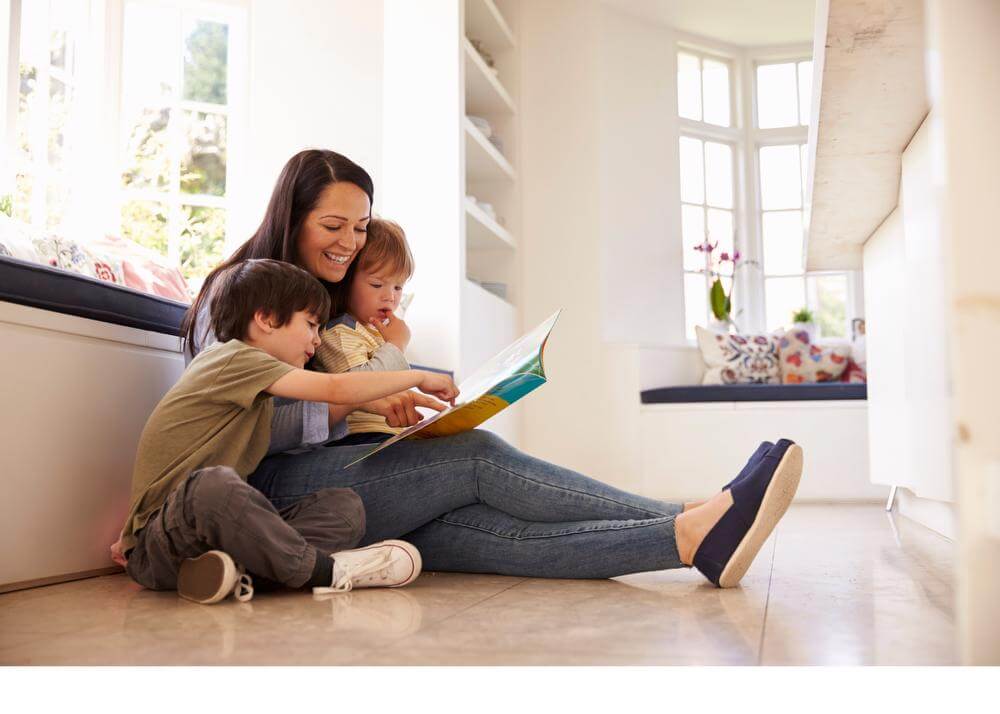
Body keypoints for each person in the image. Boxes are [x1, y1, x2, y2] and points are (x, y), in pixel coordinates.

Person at [184, 148, 804, 588]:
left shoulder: (324, 305)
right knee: (476, 455)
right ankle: (690, 515)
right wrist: (361, 403)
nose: (349, 242)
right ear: (290, 219)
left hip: (327, 485)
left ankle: (690, 540)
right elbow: (247, 433)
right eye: (333, 226)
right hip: (263, 493)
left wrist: (386, 406)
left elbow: (332, 398)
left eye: (361, 227)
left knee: (482, 533)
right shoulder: (241, 295)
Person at [113, 258, 459, 604]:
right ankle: (329, 572)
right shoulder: (231, 358)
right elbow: (335, 388)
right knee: (212, 485)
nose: (317, 340)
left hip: (217, 544)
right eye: (310, 325)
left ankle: (232, 573)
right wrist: (416, 376)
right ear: (265, 319)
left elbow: (321, 408)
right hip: (160, 543)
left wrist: (371, 402)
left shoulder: (255, 396)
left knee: (342, 506)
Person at [313, 217, 415, 442]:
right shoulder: (338, 332)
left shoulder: (377, 334)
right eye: (377, 285)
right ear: (346, 281)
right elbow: (358, 386)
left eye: (398, 287)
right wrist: (397, 345)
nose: (390, 296)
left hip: (386, 434)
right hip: (357, 439)